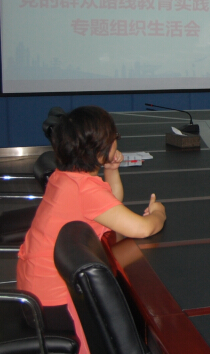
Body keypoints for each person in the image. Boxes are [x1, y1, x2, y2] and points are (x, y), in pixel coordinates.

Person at [16, 106, 167, 354]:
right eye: (114, 137)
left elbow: (109, 206)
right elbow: (141, 229)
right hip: (54, 303)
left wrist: (111, 169)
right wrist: (158, 213)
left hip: (34, 291)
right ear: (99, 149)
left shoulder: (66, 176)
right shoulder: (84, 190)